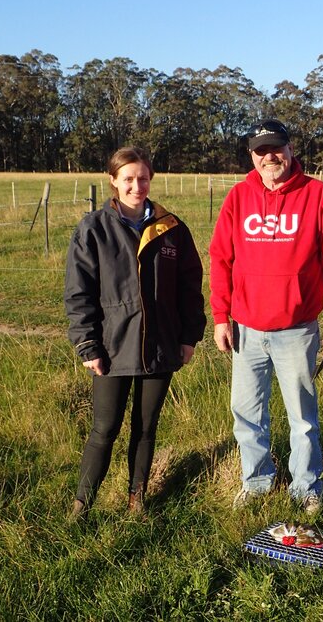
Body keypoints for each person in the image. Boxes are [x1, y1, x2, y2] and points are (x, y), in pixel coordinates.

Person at [209, 119, 323, 515]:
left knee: (302, 418)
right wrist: (221, 317)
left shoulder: (317, 195)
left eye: (277, 148)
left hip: (297, 329)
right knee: (248, 414)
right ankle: (256, 482)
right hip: (245, 330)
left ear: (290, 150)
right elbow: (220, 259)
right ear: (252, 157)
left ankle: (307, 487)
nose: (269, 157)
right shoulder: (238, 197)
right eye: (261, 151)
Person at [64, 146, 206, 520]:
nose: (136, 185)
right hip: (111, 348)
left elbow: (191, 289)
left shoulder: (172, 228)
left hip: (161, 346)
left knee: (146, 429)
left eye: (142, 178)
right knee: (104, 428)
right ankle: (81, 506)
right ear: (113, 181)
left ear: (151, 179)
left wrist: (189, 337)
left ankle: (136, 501)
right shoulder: (93, 229)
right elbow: (78, 292)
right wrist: (87, 344)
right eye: (127, 178)